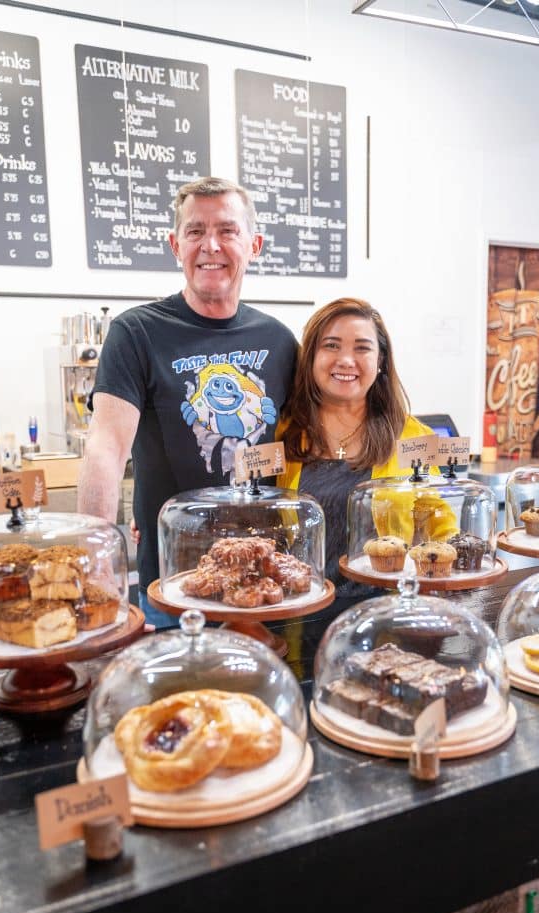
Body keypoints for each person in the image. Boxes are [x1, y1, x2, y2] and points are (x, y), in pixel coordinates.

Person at [77, 177, 298, 626]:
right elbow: (107, 447)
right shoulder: (136, 332)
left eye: (227, 231)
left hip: (264, 583)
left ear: (254, 244)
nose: (210, 245)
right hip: (173, 585)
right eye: (195, 231)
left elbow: (305, 442)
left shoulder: (279, 340)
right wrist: (96, 557)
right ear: (175, 245)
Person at [276, 297, 455, 593]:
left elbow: (439, 523)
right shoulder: (283, 432)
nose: (346, 360)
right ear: (311, 356)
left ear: (381, 360)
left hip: (387, 614)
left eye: (362, 347)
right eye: (331, 345)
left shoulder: (413, 436)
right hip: (299, 611)